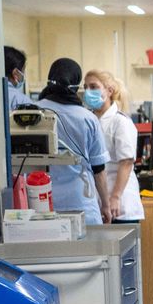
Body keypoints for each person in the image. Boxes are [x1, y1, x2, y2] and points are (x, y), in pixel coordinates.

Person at [35, 58, 110, 225]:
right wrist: (106, 205)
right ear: (76, 84)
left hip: (41, 202)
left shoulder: (33, 112)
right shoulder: (87, 118)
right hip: (81, 202)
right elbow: (99, 169)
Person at [82, 69, 145, 223]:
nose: (88, 91)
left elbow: (126, 162)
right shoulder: (89, 120)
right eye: (86, 87)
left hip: (119, 202)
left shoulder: (120, 122)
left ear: (109, 91)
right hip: (97, 202)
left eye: (94, 87)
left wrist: (115, 197)